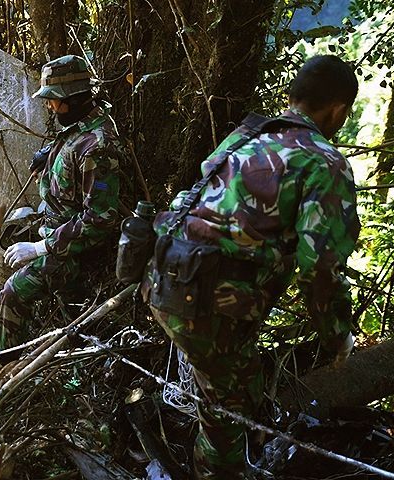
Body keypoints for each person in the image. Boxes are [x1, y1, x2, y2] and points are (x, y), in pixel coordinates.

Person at [145, 55, 360, 479]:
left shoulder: (247, 134)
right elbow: (319, 268)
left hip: (164, 277)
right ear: (339, 110)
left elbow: (191, 198)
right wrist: (337, 337)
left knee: (241, 387)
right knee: (228, 413)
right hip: (209, 305)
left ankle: (240, 451)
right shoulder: (324, 162)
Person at [0, 55, 123, 364]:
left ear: (73, 98)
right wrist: (48, 156)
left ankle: (5, 367)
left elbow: (99, 220)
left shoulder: (98, 148)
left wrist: (40, 248)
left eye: (54, 101)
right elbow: (70, 146)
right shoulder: (81, 126)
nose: (50, 107)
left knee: (12, 292)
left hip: (75, 254)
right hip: (54, 229)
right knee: (11, 229)